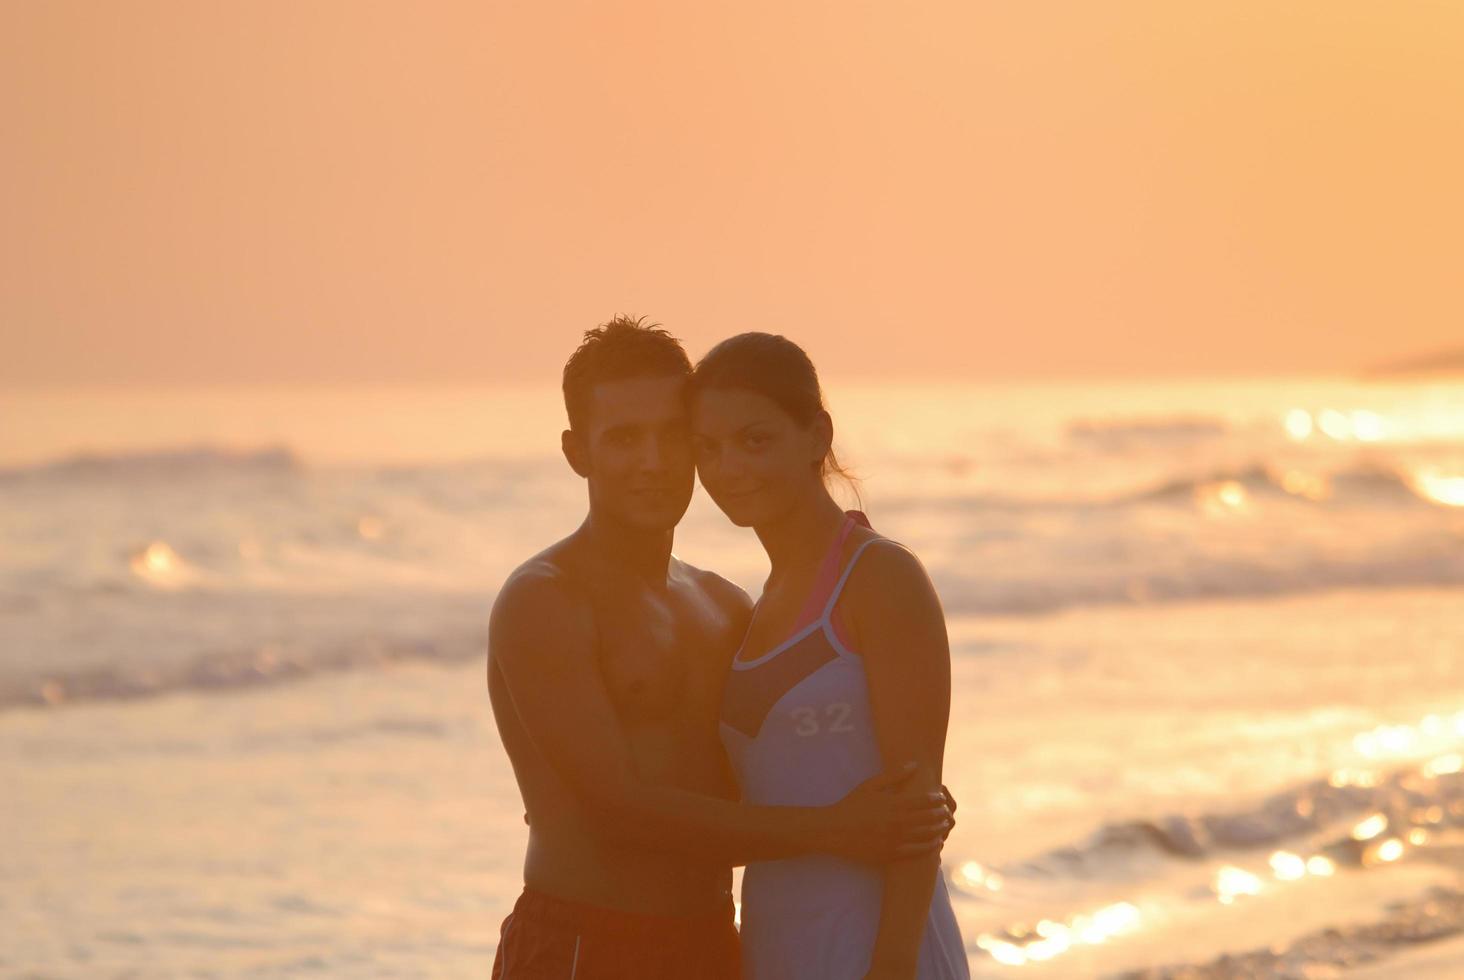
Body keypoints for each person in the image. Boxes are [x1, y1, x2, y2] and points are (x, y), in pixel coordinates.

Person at [487, 316, 953, 979]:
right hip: (588, 946)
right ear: (576, 452)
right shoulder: (545, 600)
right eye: (623, 438)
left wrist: (916, 808)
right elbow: (616, 810)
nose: (652, 461)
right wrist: (837, 829)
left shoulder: (728, 608)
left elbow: (771, 773)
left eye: (672, 436)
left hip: (718, 946)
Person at [691, 332, 970, 980]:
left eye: (754, 440)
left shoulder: (880, 578)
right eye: (708, 447)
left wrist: (893, 967)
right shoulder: (753, 612)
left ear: (816, 436)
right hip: (778, 950)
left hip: (880, 954)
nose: (729, 467)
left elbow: (918, 811)